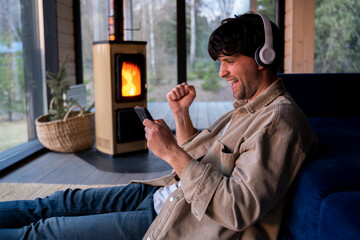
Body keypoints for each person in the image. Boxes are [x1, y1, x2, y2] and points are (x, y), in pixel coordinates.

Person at [0, 12, 317, 240]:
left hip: (173, 221)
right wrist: (181, 116)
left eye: (229, 61)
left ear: (265, 56)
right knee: (60, 203)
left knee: (42, 232)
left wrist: (171, 153)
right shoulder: (248, 109)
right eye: (220, 62)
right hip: (162, 194)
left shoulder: (278, 124)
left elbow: (237, 208)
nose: (222, 73)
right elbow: (204, 161)